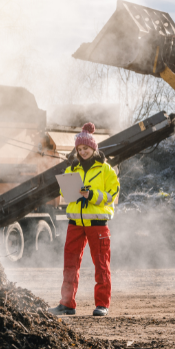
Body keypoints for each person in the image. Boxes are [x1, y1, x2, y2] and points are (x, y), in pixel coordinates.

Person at [48, 122, 120, 317]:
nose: (82, 151)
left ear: (93, 148)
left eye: (85, 148)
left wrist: (92, 194)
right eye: (79, 149)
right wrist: (71, 190)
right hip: (75, 223)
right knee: (70, 264)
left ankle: (102, 305)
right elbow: (65, 191)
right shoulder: (73, 168)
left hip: (97, 224)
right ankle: (67, 304)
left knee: (101, 264)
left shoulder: (106, 170)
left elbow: (113, 193)